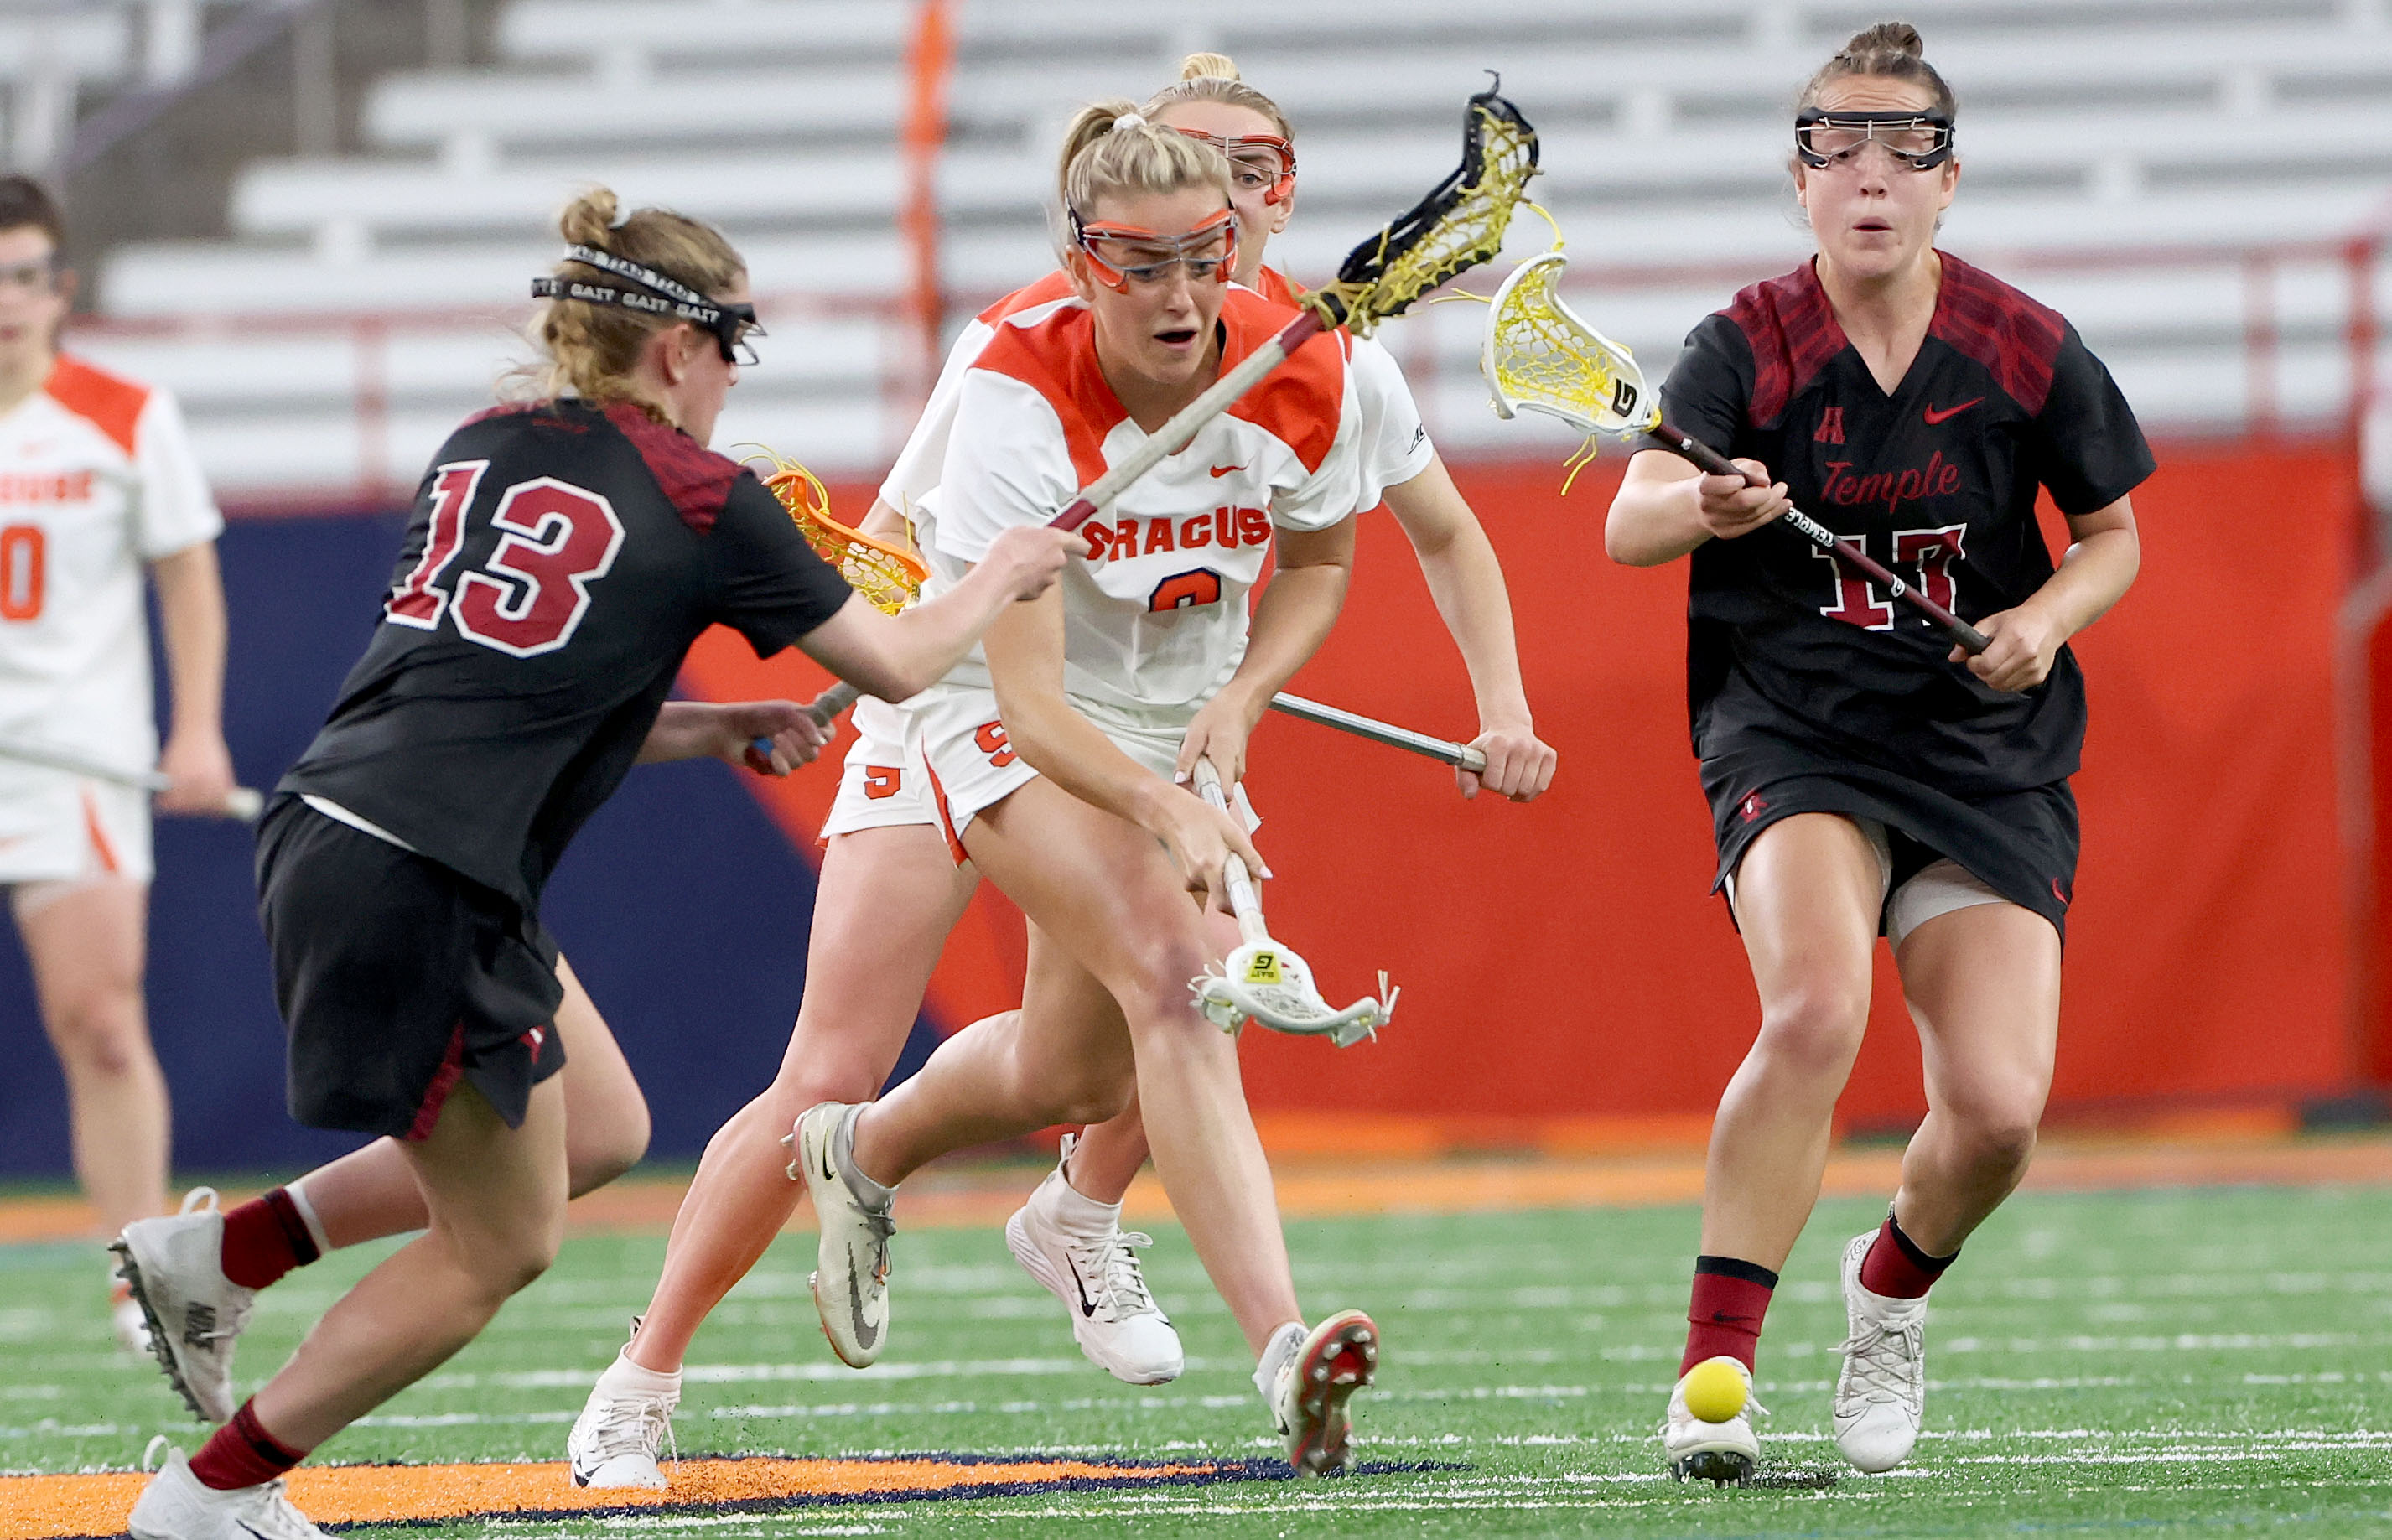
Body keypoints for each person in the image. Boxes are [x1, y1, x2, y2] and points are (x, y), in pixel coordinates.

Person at [568, 54, 1557, 1487]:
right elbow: (1020, 703)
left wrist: (1231, 706)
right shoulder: (1015, 386)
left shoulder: (1315, 369)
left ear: (1245, 225)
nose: (1174, 294)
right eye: (1136, 263)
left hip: (1151, 724)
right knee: (1096, 996)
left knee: (1075, 1060)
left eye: (1200, 255)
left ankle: (953, 1177)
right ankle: (644, 1374)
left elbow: (1331, 558)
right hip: (964, 691)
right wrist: (1164, 801)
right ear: (1081, 264)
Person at [109, 188, 1071, 1540]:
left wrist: (714, 725)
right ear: (679, 348)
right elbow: (907, 660)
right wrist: (1006, 568)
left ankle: (221, 1255)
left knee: (601, 1128)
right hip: (425, 867)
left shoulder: (481, 439)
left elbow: (522, 691)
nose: (737, 380)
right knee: (501, 1244)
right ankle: (214, 1491)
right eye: (735, 347)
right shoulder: (702, 495)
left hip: (350, 825)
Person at [1602, 23, 2149, 1484]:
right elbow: (1628, 518)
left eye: (1899, 149)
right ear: (1798, 183)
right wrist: (1706, 511)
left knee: (1993, 1112)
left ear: (1946, 180)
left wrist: (2041, 617)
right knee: (1814, 1010)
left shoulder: (2021, 345)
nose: (1866, 176)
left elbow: (2113, 538)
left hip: (1980, 746)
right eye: (1832, 146)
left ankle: (1886, 1293)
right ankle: (1712, 1372)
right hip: (1797, 730)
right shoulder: (1745, 343)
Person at [0, 175, 238, 1351]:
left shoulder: (122, 411)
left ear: (61, 287)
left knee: (98, 1017)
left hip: (72, 757)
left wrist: (194, 728)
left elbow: (187, 575)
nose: (6, 300)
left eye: (26, 274)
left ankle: (137, 1269)